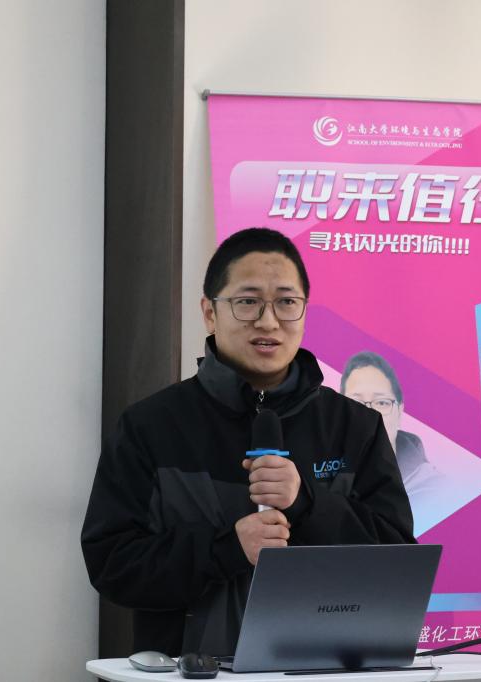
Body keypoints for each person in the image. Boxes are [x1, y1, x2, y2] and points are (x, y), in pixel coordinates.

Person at [81, 228, 414, 657]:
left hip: (324, 668)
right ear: (209, 312)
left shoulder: (356, 426)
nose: (268, 321)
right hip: (190, 672)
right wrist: (226, 550)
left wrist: (307, 505)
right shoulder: (150, 426)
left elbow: (398, 566)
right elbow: (112, 565)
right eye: (248, 301)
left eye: (286, 302)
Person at [341, 351, 452, 534]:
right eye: (356, 403)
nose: (370, 415)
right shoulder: (324, 482)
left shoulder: (437, 490)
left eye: (382, 403)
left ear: (400, 412)